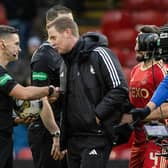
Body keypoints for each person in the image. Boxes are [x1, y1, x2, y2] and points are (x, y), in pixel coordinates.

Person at [47, 16, 130, 168]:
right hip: (73, 139)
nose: (51, 43)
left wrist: (97, 115)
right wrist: (58, 98)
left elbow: (120, 88)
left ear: (67, 32)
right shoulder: (64, 63)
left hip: (96, 136)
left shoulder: (100, 53)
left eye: (53, 37)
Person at [0, 25, 60, 168]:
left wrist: (17, 119)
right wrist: (49, 89)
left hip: (5, 137)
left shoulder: (5, 72)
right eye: (16, 44)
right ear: (2, 44)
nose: (19, 49)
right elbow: (23, 93)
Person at [28, 5, 73, 168]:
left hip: (66, 129)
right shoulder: (43, 57)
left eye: (71, 22)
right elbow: (41, 99)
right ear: (49, 27)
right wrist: (56, 133)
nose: (70, 28)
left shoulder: (67, 53)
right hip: (48, 132)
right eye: (64, 22)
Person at [128, 25, 168, 168]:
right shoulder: (135, 70)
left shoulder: (160, 71)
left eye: (139, 42)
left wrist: (139, 116)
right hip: (139, 139)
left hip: (159, 139)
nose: (135, 48)